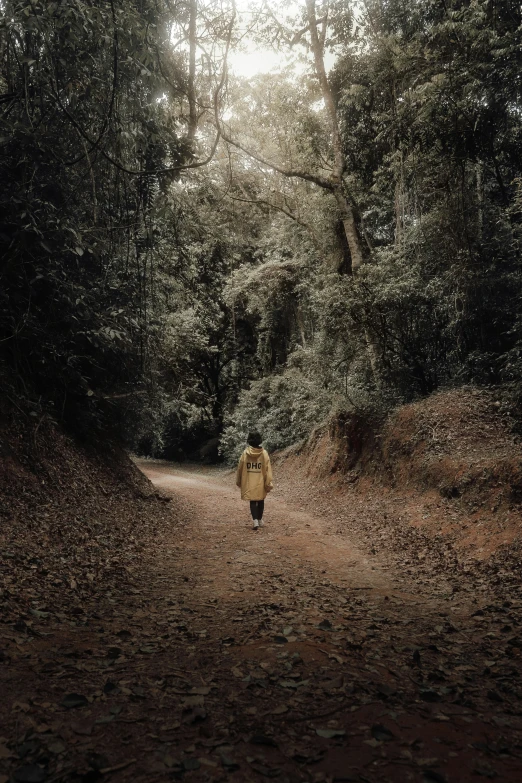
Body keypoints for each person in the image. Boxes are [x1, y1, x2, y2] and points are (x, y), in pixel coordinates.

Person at [236, 431, 273, 530]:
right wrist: (268, 482)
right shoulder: (264, 453)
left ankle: (255, 521)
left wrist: (238, 481)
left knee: (252, 501)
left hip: (249, 482)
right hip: (260, 482)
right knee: (261, 500)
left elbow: (240, 468)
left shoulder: (245, 453)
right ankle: (260, 520)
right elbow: (267, 469)